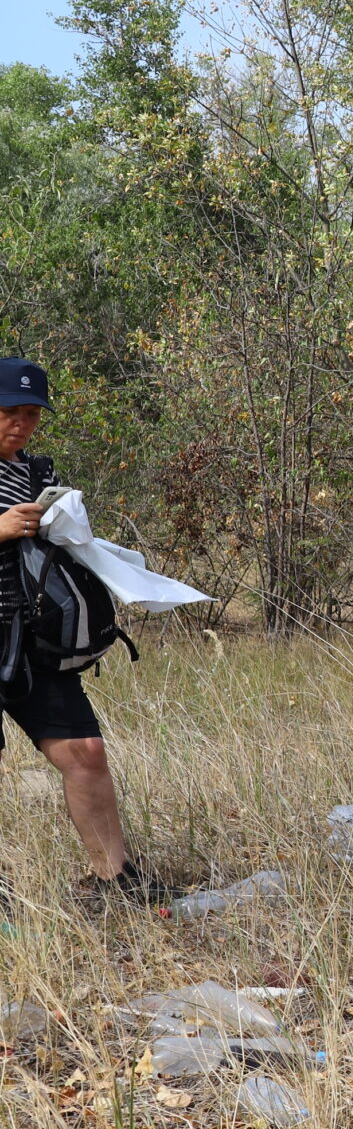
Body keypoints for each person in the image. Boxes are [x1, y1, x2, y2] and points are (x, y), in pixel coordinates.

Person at [0, 357, 178, 911]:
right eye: (10, 411)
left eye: (31, 414)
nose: (21, 424)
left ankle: (115, 879)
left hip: (30, 640)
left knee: (84, 750)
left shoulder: (35, 472)